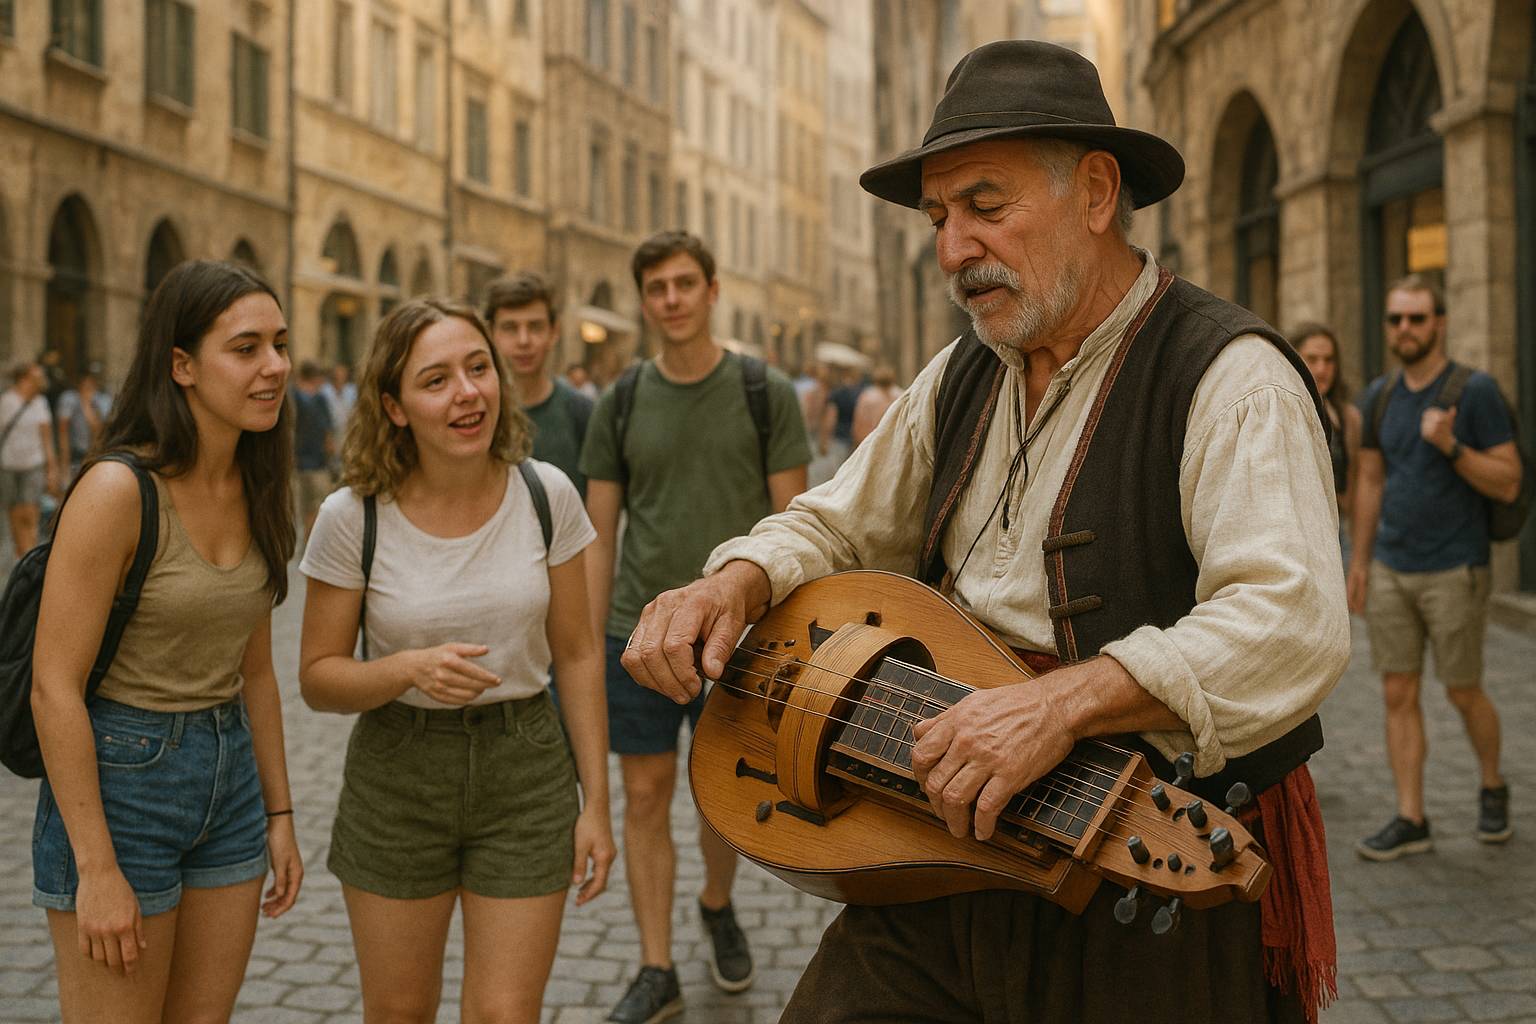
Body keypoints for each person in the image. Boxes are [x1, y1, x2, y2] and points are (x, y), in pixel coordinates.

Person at [620, 40, 1348, 1024]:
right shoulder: (965, 372)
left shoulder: (1226, 374)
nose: (953, 246)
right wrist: (738, 579)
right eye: (937, 217)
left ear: (1096, 193)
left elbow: (1292, 618)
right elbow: (837, 521)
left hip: (1142, 871)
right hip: (945, 840)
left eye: (984, 206)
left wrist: (1065, 705)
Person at [297, 298, 615, 1024]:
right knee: (400, 1012)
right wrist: (406, 669)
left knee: (506, 1015)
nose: (467, 392)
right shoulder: (354, 516)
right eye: (435, 380)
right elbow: (318, 676)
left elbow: (577, 653)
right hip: (397, 776)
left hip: (526, 770)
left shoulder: (547, 494)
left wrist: (595, 803)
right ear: (395, 406)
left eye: (478, 369)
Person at [30, 259, 304, 1022]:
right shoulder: (118, 491)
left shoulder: (257, 482)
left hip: (231, 781)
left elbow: (256, 674)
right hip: (122, 785)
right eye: (246, 348)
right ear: (181, 365)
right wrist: (97, 867)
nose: (275, 366)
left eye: (279, 344)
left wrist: (279, 817)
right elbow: (53, 684)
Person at [580, 230, 811, 1024]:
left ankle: (717, 903)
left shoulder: (761, 390)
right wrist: (589, 639)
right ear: (644, 302)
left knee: (722, 796)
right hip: (635, 638)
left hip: (733, 641)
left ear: (712, 290)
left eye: (685, 284)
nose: (671, 299)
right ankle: (656, 966)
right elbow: (598, 530)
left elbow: (795, 527)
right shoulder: (623, 399)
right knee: (643, 797)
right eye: (657, 288)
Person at [1348, 274, 1522, 861]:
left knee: (1462, 690)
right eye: (1396, 319)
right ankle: (1411, 816)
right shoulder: (1381, 396)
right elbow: (1370, 479)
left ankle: (1492, 784)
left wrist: (1451, 445)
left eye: (1417, 318)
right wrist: (1362, 562)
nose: (1405, 329)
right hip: (1394, 567)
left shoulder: (1475, 393)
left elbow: (1509, 480)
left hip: (1455, 567)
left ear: (1439, 323)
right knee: (1398, 690)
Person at [485, 271, 595, 497]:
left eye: (535, 327)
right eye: (510, 328)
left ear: (554, 332)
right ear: (490, 333)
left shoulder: (581, 412)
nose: (524, 341)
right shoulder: (476, 412)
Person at [1289, 324, 1361, 534]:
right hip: (1296, 529)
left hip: (1336, 528)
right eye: (1312, 359)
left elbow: (1354, 483)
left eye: (1329, 360)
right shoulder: (1283, 411)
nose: (1322, 369)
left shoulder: (1348, 417)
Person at [1, 360, 61, 556]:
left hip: (34, 464)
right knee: (15, 513)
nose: (41, 379)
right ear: (24, 378)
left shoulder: (40, 403)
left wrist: (52, 469)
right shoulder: (7, 401)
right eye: (37, 375)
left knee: (30, 511)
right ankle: (22, 553)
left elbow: (47, 438)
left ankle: (29, 551)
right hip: (9, 465)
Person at [290, 361, 335, 550]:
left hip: (299, 461)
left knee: (305, 506)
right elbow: (327, 431)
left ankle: (307, 542)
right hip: (315, 461)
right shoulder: (318, 399)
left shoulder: (293, 396)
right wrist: (331, 451)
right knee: (315, 505)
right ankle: (310, 543)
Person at [55, 362, 114, 479]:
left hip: (96, 455)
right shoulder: (69, 398)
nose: (89, 383)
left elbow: (100, 429)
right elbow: (63, 430)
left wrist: (87, 405)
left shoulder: (104, 400)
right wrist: (63, 462)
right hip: (75, 455)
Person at [850, 363, 904, 447]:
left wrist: (858, 441)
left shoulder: (868, 396)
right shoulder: (900, 395)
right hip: (894, 442)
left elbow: (859, 421)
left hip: (871, 441)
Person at [320, 362, 357, 445]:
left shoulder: (352, 390)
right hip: (331, 431)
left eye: (343, 374)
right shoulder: (324, 391)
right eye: (338, 374)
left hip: (348, 429)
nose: (340, 376)